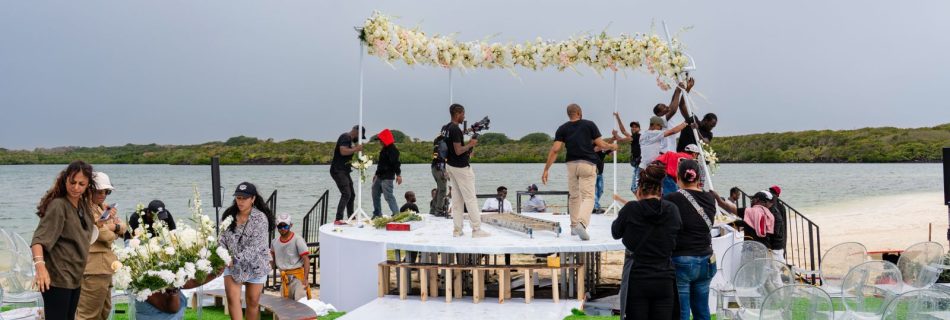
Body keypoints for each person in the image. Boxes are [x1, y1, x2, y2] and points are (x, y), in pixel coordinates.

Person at [611, 162, 682, 320]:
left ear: (639, 189)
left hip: (638, 277)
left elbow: (615, 232)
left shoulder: (631, 209)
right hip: (665, 276)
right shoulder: (672, 210)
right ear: (661, 190)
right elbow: (678, 234)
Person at [31, 160, 98, 320]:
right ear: (65, 180)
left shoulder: (82, 205)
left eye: (81, 184)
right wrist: (40, 268)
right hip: (58, 279)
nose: (76, 187)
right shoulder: (58, 206)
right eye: (72, 182)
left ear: (88, 185)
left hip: (75, 277)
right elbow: (38, 240)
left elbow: (79, 233)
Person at [542, 103, 618, 241]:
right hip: (587, 163)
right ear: (579, 112)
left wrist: (546, 169)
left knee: (574, 196)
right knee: (588, 196)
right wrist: (613, 146)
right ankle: (581, 223)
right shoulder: (589, 124)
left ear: (569, 114)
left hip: (571, 164)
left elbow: (555, 150)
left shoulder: (562, 128)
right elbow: (601, 144)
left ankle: (573, 227)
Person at [663, 160, 717, 320]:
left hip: (682, 258)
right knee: (702, 309)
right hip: (707, 258)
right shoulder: (709, 198)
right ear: (699, 177)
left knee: (682, 311)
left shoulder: (671, 198)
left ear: (678, 177)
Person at [218, 182, 275, 320]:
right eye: (238, 198)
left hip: (256, 264)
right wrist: (224, 256)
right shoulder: (228, 215)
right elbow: (221, 239)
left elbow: (256, 247)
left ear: (253, 199)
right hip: (231, 264)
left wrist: (235, 259)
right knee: (232, 299)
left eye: (244, 198)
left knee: (252, 302)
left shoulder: (260, 218)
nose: (240, 201)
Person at [77, 172, 127, 320]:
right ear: (89, 190)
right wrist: (115, 228)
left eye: (107, 192)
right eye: (99, 191)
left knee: (104, 311)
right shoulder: (86, 209)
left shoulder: (100, 208)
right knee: (88, 314)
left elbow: (124, 227)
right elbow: (105, 235)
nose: (103, 195)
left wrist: (112, 226)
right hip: (94, 268)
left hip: (104, 266)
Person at [441, 103, 490, 237]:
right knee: (470, 199)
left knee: (456, 200)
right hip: (461, 167)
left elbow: (454, 139)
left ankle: (457, 230)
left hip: (450, 166)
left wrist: (470, 130)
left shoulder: (446, 128)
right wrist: (470, 144)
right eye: (463, 114)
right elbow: (458, 150)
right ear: (458, 114)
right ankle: (476, 229)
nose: (464, 116)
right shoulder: (455, 129)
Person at [271, 213, 312, 301]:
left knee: (301, 304)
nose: (282, 229)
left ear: (291, 225)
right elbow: (272, 262)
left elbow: (306, 259)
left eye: (285, 226)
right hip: (284, 278)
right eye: (280, 226)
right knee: (286, 307)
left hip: (298, 278)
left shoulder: (297, 239)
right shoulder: (274, 242)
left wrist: (305, 279)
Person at [639, 116, 688, 187]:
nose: (661, 128)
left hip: (642, 167)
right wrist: (685, 123)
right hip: (652, 169)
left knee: (645, 189)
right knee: (657, 190)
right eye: (660, 126)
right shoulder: (654, 133)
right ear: (654, 125)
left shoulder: (642, 135)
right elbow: (673, 131)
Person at [330, 125, 365, 224]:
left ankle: (351, 216)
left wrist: (356, 164)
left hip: (344, 171)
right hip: (338, 170)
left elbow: (346, 157)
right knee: (346, 193)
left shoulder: (349, 140)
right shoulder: (345, 137)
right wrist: (356, 149)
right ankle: (338, 219)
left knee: (352, 194)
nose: (359, 139)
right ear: (356, 132)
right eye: (360, 136)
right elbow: (343, 151)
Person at [652, 78, 692, 153]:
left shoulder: (666, 116)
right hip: (665, 152)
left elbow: (673, 100)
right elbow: (674, 109)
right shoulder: (661, 120)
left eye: (665, 105)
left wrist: (685, 89)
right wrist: (678, 90)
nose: (666, 107)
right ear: (659, 114)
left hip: (671, 152)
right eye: (663, 107)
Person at [372, 128, 402, 218]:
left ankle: (396, 214)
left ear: (385, 139)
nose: (380, 142)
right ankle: (377, 213)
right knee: (375, 193)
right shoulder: (383, 149)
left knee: (388, 196)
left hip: (388, 177)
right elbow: (380, 164)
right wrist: (376, 174)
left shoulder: (393, 150)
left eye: (381, 140)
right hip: (380, 175)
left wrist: (399, 175)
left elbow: (396, 164)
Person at [612, 112, 642, 193]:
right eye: (632, 127)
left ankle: (641, 204)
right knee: (636, 188)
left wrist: (615, 135)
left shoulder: (637, 136)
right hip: (637, 166)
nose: (633, 128)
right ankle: (641, 203)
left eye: (636, 127)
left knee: (634, 188)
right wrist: (618, 117)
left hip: (640, 166)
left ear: (639, 129)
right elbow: (623, 131)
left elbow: (621, 140)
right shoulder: (633, 137)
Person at [431, 128, 450, 217]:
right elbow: (443, 156)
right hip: (440, 168)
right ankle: (439, 210)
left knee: (439, 189)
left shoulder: (438, 140)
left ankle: (434, 209)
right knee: (442, 189)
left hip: (435, 168)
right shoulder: (443, 142)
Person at [768, 185, 787, 263]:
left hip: (777, 239)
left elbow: (782, 225)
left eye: (773, 192)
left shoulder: (780, 208)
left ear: (777, 195)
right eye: (770, 192)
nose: (771, 193)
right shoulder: (768, 205)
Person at [593, 146, 612, 213]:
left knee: (601, 190)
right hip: (593, 173)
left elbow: (610, 154)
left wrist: (612, 148)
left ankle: (593, 206)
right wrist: (606, 145)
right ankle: (597, 207)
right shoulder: (592, 145)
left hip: (600, 173)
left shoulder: (603, 146)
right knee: (593, 191)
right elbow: (595, 149)